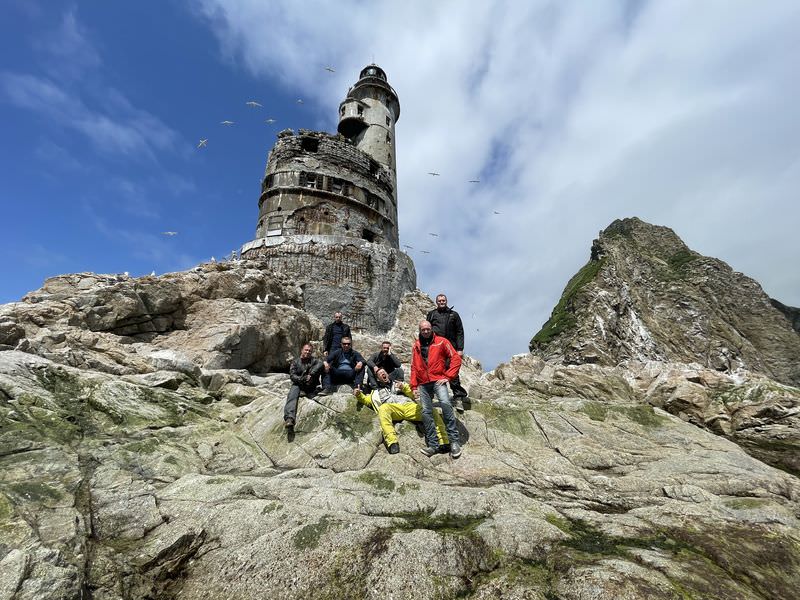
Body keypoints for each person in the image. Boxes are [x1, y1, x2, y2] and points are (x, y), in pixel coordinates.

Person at [354, 368, 449, 454]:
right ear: (378, 379)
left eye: (384, 372)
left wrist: (404, 387)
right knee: (383, 408)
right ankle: (392, 443)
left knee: (431, 410)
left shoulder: (398, 383)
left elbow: (413, 394)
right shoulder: (375, 393)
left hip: (409, 406)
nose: (383, 373)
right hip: (394, 409)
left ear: (387, 374)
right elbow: (365, 400)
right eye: (380, 374)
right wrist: (358, 394)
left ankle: (443, 442)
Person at [411, 320, 462, 458]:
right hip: (423, 383)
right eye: (423, 329)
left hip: (438, 380)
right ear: (420, 330)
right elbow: (414, 367)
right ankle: (433, 445)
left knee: (446, 406)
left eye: (428, 329)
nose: (426, 331)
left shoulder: (442, 341)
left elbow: (456, 358)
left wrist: (448, 376)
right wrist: (414, 386)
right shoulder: (416, 345)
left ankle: (454, 442)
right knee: (426, 412)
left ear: (431, 329)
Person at [426, 294, 468, 412]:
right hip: (436, 348)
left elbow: (460, 332)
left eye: (443, 300)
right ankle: (430, 396)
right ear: (436, 302)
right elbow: (427, 330)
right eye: (439, 301)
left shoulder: (454, 315)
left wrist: (460, 349)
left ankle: (458, 397)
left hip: (451, 348)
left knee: (452, 372)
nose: (441, 302)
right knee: (433, 371)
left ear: (446, 301)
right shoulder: (432, 314)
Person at [283, 343, 324, 429]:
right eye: (306, 350)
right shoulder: (295, 362)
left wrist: (311, 374)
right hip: (300, 384)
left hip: (312, 385)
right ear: (302, 350)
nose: (308, 352)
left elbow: (320, 364)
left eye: (310, 351)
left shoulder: (314, 360)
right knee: (293, 393)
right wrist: (303, 378)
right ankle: (289, 418)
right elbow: (292, 376)